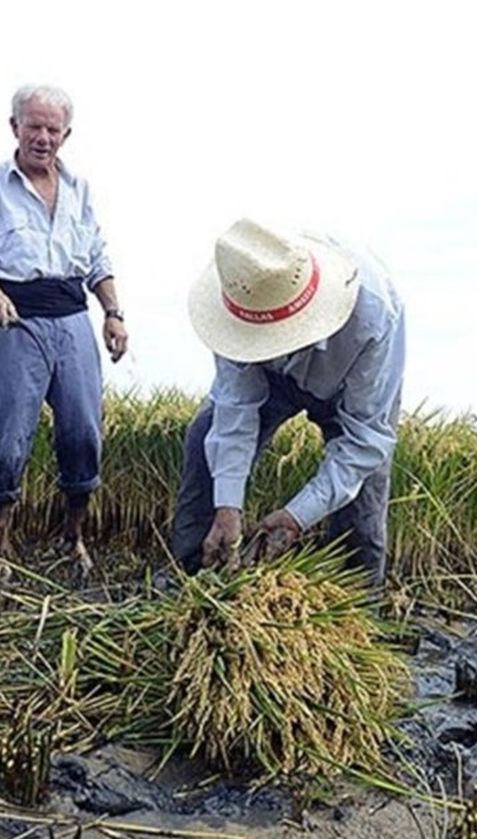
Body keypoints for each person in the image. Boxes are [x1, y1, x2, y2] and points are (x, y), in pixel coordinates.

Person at [170, 219, 406, 585]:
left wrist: (298, 516)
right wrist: (227, 506)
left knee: (364, 503)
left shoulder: (374, 317)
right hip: (270, 380)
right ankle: (192, 577)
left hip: (347, 384)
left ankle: (358, 612)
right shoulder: (241, 290)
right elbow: (235, 410)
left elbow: (364, 441)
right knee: (204, 438)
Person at [0, 84, 128, 568]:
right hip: (16, 321)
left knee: (83, 434)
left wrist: (113, 313)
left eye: (53, 129)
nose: (43, 137)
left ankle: (72, 537)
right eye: (34, 126)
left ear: (66, 135)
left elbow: (97, 259)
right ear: (15, 128)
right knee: (7, 437)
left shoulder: (80, 190)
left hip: (73, 318)